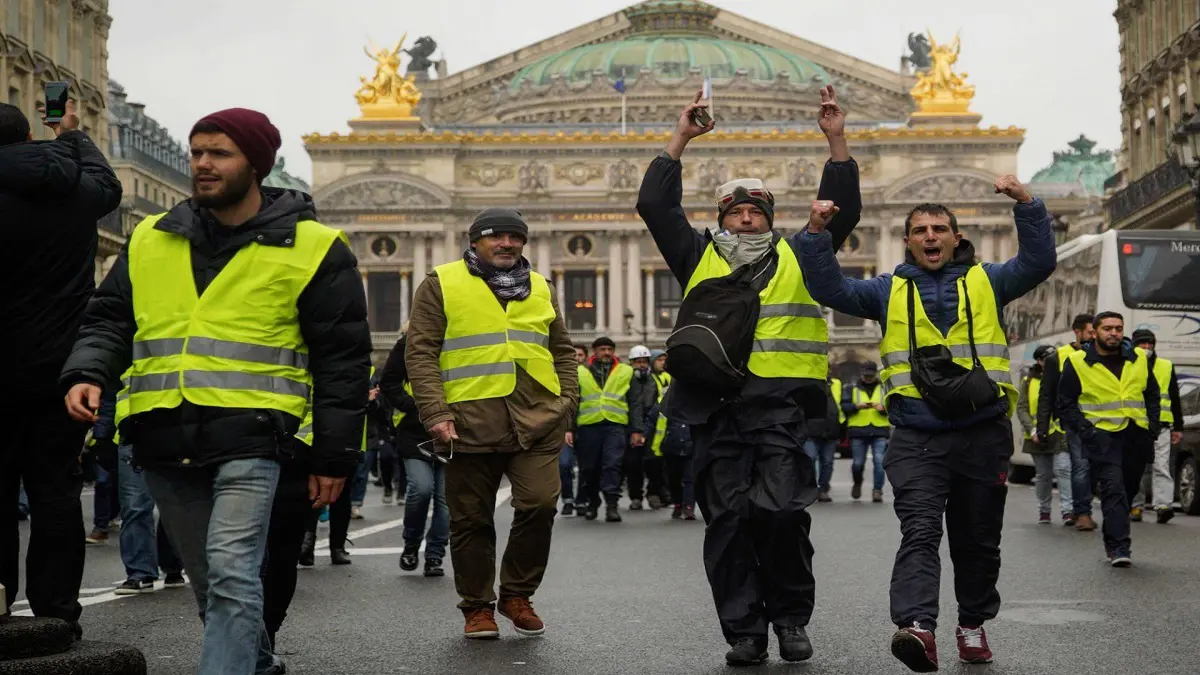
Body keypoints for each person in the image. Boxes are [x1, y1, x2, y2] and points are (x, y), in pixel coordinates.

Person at [61, 107, 371, 675]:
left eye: (219, 153)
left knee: (231, 574)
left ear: (256, 164)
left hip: (255, 435)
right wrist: (87, 372)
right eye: (197, 151)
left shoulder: (315, 246)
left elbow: (342, 361)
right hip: (160, 432)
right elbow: (109, 318)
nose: (202, 164)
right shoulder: (152, 236)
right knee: (211, 584)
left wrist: (333, 456)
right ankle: (256, 665)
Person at [636, 85, 860, 666]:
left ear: (769, 218)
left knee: (783, 514)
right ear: (721, 219)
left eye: (755, 211)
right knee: (729, 523)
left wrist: (835, 140)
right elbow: (655, 207)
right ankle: (744, 631)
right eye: (735, 211)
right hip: (715, 409)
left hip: (781, 405)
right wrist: (680, 137)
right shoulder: (695, 254)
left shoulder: (803, 252)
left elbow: (844, 212)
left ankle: (789, 619)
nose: (744, 217)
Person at [798, 169, 1056, 670]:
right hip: (916, 435)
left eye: (939, 229)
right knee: (919, 531)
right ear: (908, 241)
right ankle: (917, 627)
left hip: (982, 431)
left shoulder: (989, 281)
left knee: (977, 538)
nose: (931, 237)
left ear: (956, 237)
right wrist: (814, 235)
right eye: (920, 231)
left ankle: (972, 623)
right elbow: (829, 287)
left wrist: (1026, 202)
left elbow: (1038, 261)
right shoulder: (886, 290)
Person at [405, 207, 578, 639]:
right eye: (496, 236)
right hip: (468, 421)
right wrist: (435, 412)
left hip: (536, 419)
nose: (506, 243)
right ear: (475, 241)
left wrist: (567, 402)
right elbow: (420, 352)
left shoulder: (540, 286)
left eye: (515, 237)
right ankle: (477, 606)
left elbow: (561, 349)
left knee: (539, 505)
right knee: (470, 520)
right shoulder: (440, 282)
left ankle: (517, 594)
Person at [1, 98, 121, 634]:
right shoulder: (72, 187)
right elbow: (108, 184)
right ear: (29, 137)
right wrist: (68, 132)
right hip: (62, 365)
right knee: (55, 492)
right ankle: (58, 612)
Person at [1055, 312, 1159, 567]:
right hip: (1102, 437)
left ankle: (1114, 535)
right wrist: (1085, 430)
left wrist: (1152, 427)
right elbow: (1065, 402)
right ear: (1095, 332)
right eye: (1107, 328)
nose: (1113, 333)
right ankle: (1119, 547)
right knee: (1113, 490)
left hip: (1136, 436)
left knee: (1128, 490)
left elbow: (1153, 395)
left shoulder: (1139, 359)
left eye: (1118, 328)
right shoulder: (1078, 361)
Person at [380, 333, 450, 577]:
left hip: (454, 430)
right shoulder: (410, 341)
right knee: (421, 488)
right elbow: (389, 382)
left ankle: (435, 555)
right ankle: (411, 542)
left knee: (446, 500)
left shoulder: (465, 337)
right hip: (415, 431)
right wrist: (414, 407)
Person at [572, 337, 648, 522]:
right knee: (589, 468)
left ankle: (612, 505)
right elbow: (572, 402)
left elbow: (635, 403)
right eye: (602, 349)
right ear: (595, 351)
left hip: (615, 426)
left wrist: (637, 429)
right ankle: (592, 501)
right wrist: (569, 429)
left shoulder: (626, 371)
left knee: (612, 465)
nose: (606, 352)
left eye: (609, 349)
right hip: (588, 426)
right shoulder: (580, 372)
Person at [1037, 313, 1097, 531]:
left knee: (1097, 469)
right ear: (1077, 332)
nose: (1093, 336)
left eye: (1095, 332)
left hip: (1103, 423)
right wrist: (1042, 427)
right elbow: (1047, 394)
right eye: (1090, 332)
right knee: (1078, 467)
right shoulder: (1058, 357)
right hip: (1072, 422)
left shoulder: (1103, 354)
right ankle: (1082, 513)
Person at [1129, 329, 1182, 524]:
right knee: (1138, 467)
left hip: (1162, 425)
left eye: (1150, 344)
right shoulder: (1127, 364)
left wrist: (1178, 426)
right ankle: (1136, 505)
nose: (1147, 347)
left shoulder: (1165, 366)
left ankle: (1163, 506)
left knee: (1161, 466)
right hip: (1135, 424)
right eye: (1142, 344)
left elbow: (1174, 397)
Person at [1017, 346, 1072, 524]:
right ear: (1039, 362)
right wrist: (1031, 429)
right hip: (1037, 435)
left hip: (1059, 433)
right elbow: (1022, 408)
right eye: (1046, 359)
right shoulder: (1028, 381)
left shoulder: (1063, 376)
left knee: (1064, 469)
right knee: (1043, 475)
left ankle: (1067, 511)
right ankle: (1044, 509)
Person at [843, 362, 890, 502]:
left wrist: (883, 409)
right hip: (858, 430)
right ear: (861, 374)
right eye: (866, 376)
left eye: (870, 376)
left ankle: (877, 490)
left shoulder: (884, 387)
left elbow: (893, 405)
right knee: (857, 463)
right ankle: (857, 483)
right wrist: (856, 406)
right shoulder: (851, 388)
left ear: (875, 374)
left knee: (879, 461)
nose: (868, 378)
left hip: (879, 429)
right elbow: (844, 407)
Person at [623, 345, 661, 511]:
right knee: (633, 464)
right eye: (638, 362)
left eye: (644, 362)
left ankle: (653, 493)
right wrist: (635, 430)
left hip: (652, 427)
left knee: (654, 462)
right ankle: (635, 496)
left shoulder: (655, 380)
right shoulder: (626, 380)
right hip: (631, 428)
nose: (642, 365)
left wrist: (647, 428)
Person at [556, 345, 589, 516]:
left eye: (580, 355)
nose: (577, 358)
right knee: (564, 465)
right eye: (574, 355)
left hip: (585, 427)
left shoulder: (590, 376)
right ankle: (568, 499)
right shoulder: (560, 376)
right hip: (566, 429)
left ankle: (582, 500)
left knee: (585, 467)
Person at [804, 372, 843, 503]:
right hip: (811, 431)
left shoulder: (835, 384)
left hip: (830, 431)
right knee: (810, 458)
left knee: (827, 462)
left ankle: (822, 489)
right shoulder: (808, 385)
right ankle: (812, 488)